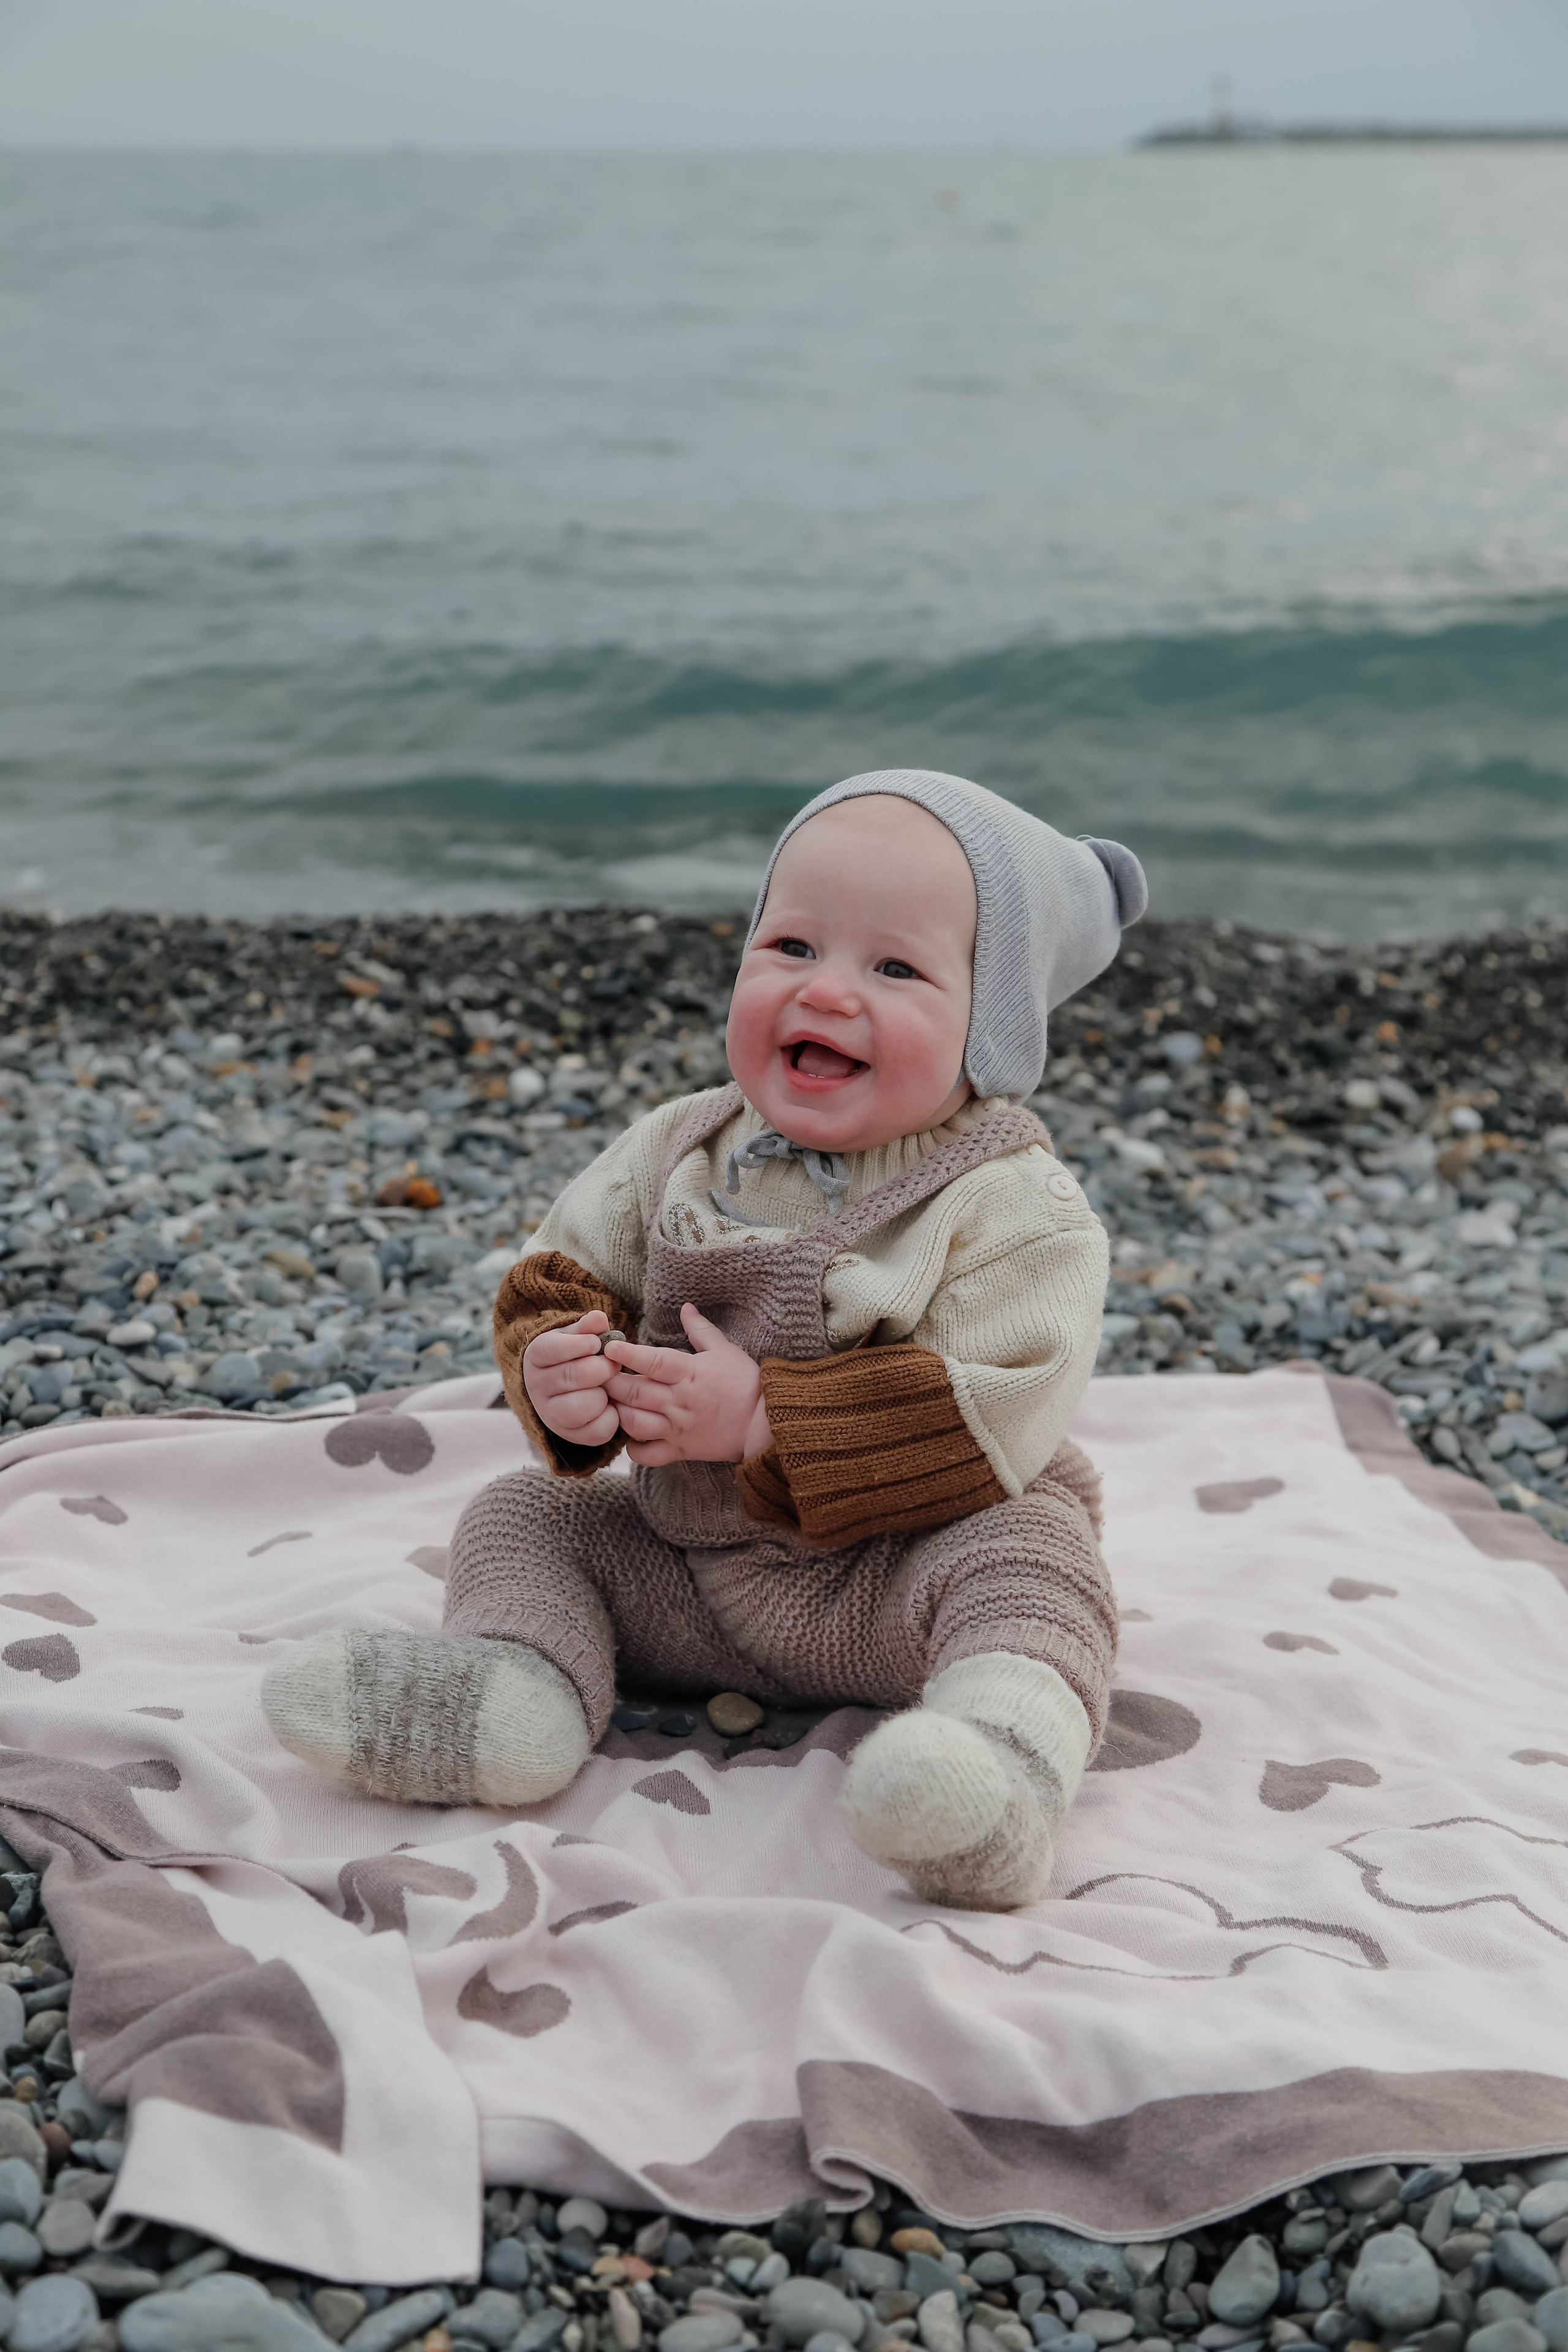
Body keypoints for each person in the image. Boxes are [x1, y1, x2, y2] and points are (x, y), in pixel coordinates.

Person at [263, 769, 1146, 1911]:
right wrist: (562, 1372)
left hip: (896, 1582)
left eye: (894, 968)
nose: (826, 992)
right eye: (790, 945)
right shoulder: (676, 1148)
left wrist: (761, 1418)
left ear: (993, 1028)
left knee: (1037, 1560)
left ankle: (989, 1777)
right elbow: (558, 1270)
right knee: (522, 1515)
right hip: (682, 1573)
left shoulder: (1011, 1203)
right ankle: (512, 1697)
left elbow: (1004, 1402)